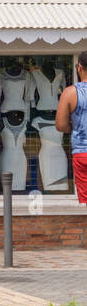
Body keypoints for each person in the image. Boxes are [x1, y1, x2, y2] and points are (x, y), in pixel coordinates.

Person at [54, 51, 87, 204]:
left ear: (79, 67)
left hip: (81, 152)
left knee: (85, 200)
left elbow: (60, 125)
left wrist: (74, 127)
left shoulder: (69, 93)